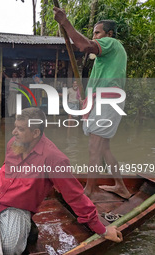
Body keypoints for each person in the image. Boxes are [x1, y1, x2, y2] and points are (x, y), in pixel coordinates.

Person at [0, 107, 123, 255]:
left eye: (20, 129)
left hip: (17, 205)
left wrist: (102, 230)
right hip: (0, 188)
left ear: (36, 133)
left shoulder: (54, 159)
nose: (14, 132)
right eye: (15, 127)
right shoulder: (14, 143)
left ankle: (16, 222)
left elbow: (75, 197)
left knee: (9, 247)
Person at [53, 8, 131, 200]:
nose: (95, 37)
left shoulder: (111, 43)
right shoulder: (108, 55)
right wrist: (86, 98)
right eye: (94, 33)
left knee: (94, 147)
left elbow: (84, 45)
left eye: (98, 33)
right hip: (105, 98)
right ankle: (121, 186)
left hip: (108, 98)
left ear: (109, 34)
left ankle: (89, 189)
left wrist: (65, 22)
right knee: (104, 148)